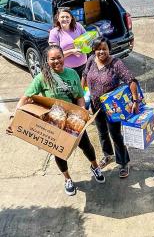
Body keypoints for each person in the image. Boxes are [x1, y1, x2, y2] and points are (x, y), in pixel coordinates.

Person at [6, 45, 105, 196]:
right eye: (52, 59)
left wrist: (81, 112)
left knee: (86, 146)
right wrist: (15, 116)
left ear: (63, 57)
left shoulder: (72, 73)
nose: (56, 61)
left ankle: (95, 166)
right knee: (59, 152)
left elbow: (79, 96)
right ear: (47, 60)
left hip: (73, 120)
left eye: (59, 57)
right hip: (53, 121)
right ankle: (67, 179)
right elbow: (26, 98)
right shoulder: (42, 78)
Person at [82, 37, 140, 178]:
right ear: (94, 50)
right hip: (96, 106)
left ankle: (123, 162)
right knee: (102, 132)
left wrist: (135, 100)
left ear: (109, 49)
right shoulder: (91, 60)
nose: (101, 51)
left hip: (112, 107)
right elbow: (84, 76)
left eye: (104, 49)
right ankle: (107, 155)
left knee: (115, 135)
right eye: (98, 49)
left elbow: (131, 80)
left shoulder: (116, 63)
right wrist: (82, 97)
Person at [48, 7, 87, 78]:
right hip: (68, 70)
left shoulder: (78, 26)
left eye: (67, 17)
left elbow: (87, 39)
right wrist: (72, 51)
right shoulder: (54, 33)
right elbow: (55, 56)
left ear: (71, 18)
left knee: (84, 88)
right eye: (62, 17)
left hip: (84, 66)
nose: (65, 19)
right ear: (58, 18)